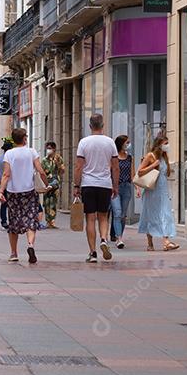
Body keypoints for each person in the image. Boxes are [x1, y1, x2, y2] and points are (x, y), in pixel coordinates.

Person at [0, 127, 50, 264]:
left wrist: (1, 191)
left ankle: (14, 253)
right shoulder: (31, 152)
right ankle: (30, 245)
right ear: (25, 138)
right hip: (29, 191)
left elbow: (6, 174)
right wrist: (47, 184)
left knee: (14, 221)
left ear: (14, 140)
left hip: (13, 192)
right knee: (31, 219)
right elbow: (40, 171)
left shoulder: (9, 154)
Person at [74, 113, 119, 263]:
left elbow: (79, 167)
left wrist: (76, 186)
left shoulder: (83, 143)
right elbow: (115, 167)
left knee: (90, 218)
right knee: (103, 216)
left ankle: (92, 253)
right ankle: (104, 239)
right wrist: (115, 186)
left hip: (88, 184)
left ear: (90, 126)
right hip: (105, 184)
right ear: (103, 125)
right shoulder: (110, 142)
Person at [136, 135, 180, 252]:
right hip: (152, 191)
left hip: (163, 190)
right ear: (159, 145)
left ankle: (166, 242)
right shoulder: (150, 156)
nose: (167, 146)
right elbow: (139, 172)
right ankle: (150, 244)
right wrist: (153, 166)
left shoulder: (164, 156)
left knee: (165, 214)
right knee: (150, 216)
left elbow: (166, 174)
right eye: (165, 143)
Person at [110, 135, 135, 248]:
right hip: (115, 187)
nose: (128, 145)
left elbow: (132, 174)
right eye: (127, 142)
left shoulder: (130, 158)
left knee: (123, 215)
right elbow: (109, 172)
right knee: (117, 212)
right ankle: (119, 238)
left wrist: (137, 188)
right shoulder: (113, 158)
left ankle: (119, 235)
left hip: (127, 187)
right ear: (121, 144)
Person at [40, 141, 64, 229]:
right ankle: (47, 221)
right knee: (46, 203)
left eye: (50, 148)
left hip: (55, 182)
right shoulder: (44, 160)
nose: (48, 150)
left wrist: (58, 164)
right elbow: (41, 172)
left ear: (54, 149)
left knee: (53, 203)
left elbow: (62, 171)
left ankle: (52, 221)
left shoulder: (58, 158)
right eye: (47, 148)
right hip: (46, 183)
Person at [0, 140, 13, 229]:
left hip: (2, 184)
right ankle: (11, 221)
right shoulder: (11, 158)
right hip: (10, 184)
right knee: (11, 204)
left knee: (3, 204)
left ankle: (3, 221)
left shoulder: (0, 158)